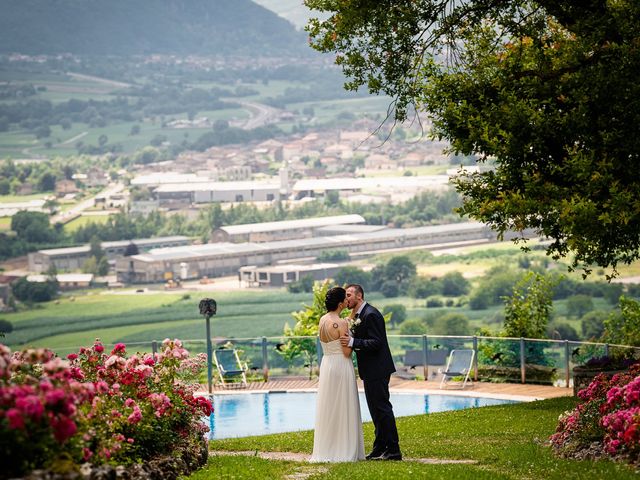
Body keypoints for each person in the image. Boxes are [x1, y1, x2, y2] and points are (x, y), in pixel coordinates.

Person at [340, 283, 402, 461]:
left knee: (382, 409)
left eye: (349, 295)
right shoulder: (359, 315)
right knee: (375, 410)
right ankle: (379, 447)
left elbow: (376, 343)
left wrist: (353, 342)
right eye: (345, 296)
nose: (347, 298)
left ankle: (394, 450)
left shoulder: (371, 314)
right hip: (370, 369)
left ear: (359, 296)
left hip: (378, 369)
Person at [310, 286, 365, 463]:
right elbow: (347, 352)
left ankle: (327, 448)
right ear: (341, 303)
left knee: (329, 406)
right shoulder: (342, 323)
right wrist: (352, 336)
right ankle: (344, 448)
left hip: (327, 364)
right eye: (345, 299)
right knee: (343, 405)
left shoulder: (322, 320)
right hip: (342, 365)